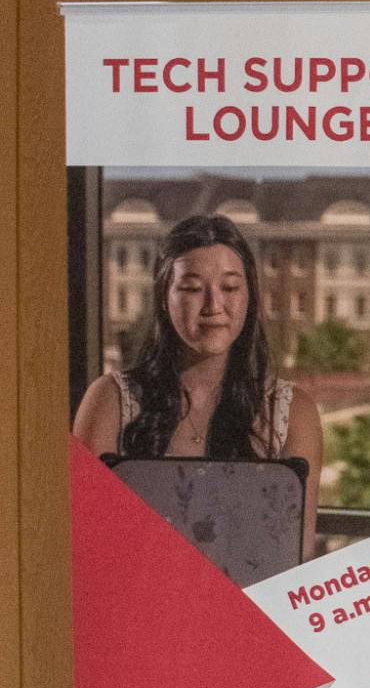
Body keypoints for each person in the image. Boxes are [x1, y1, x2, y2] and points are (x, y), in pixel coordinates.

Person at [73, 213, 323, 559]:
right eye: (191, 288)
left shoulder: (292, 411)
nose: (213, 306)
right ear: (164, 297)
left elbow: (296, 559)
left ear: (249, 298)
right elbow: (87, 552)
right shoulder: (110, 400)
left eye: (230, 287)